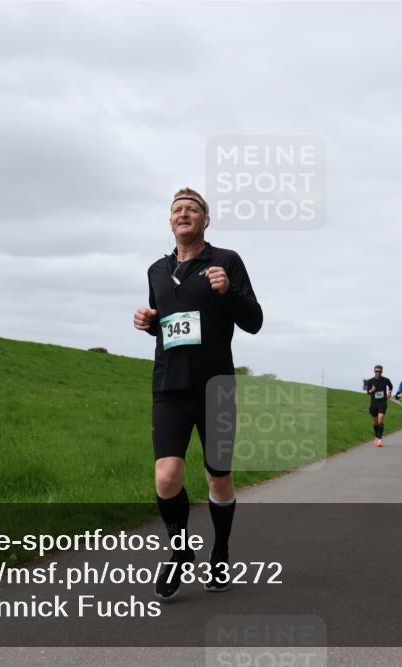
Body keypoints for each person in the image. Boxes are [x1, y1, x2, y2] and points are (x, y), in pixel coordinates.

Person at [133, 187, 263, 599]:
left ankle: (220, 551)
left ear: (206, 220)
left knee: (218, 476)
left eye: (192, 209)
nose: (183, 213)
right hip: (169, 385)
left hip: (216, 387)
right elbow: (171, 324)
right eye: (177, 210)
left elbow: (254, 321)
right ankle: (179, 551)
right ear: (170, 221)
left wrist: (229, 291)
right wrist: (149, 321)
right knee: (166, 477)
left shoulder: (226, 262)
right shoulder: (157, 269)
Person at [363, 365, 393, 447]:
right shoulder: (370, 381)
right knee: (375, 422)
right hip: (374, 403)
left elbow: (391, 386)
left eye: (379, 371)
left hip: (382, 403)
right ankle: (376, 436)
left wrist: (389, 393)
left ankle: (380, 439)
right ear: (374, 371)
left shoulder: (386, 380)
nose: (378, 373)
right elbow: (368, 393)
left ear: (382, 372)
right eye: (376, 371)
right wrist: (371, 390)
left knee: (380, 420)